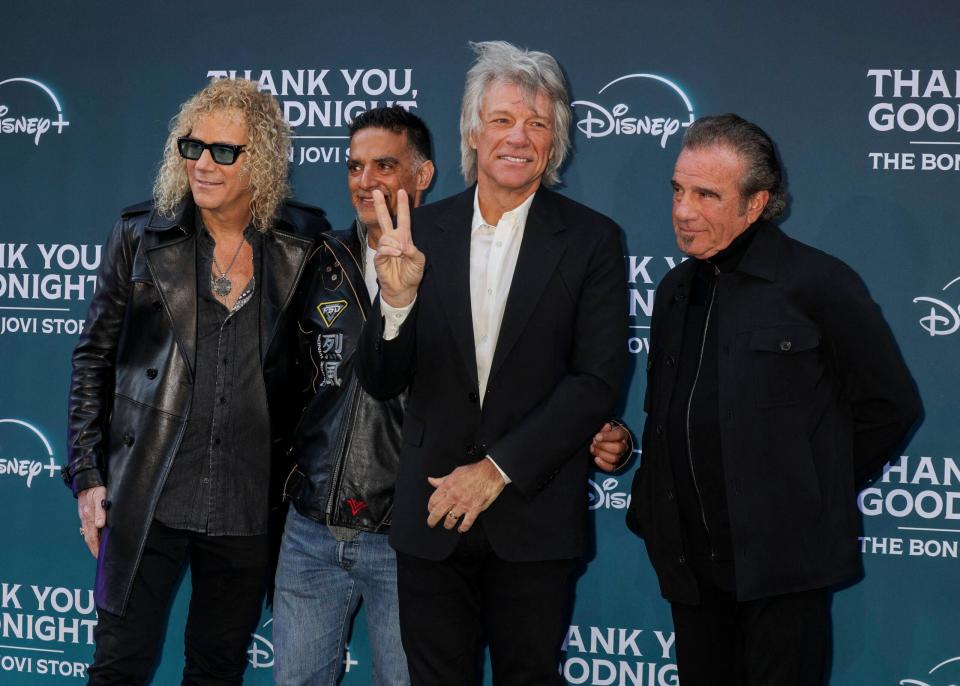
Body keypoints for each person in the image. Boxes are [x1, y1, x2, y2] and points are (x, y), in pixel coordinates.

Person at [272, 105, 631, 685]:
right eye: (502, 120)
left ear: (555, 142)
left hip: (533, 519)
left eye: (537, 124)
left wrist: (495, 470)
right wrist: (396, 304)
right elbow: (383, 379)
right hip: (430, 519)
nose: (518, 136)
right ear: (472, 133)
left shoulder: (592, 240)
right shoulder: (423, 234)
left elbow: (595, 381)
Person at [626, 113, 921, 685]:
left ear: (755, 203)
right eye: (678, 189)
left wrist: (809, 485)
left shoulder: (818, 283)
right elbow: (669, 412)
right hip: (689, 567)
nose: (683, 211)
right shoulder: (674, 290)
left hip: (783, 569)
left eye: (706, 195)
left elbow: (891, 406)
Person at [62, 77, 330, 685]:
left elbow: (322, 369)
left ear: (259, 160)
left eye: (223, 151)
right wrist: (86, 475)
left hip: (247, 503)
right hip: (148, 490)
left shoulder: (304, 241)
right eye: (192, 147)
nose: (203, 164)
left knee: (217, 669)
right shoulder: (139, 236)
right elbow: (93, 360)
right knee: (118, 665)